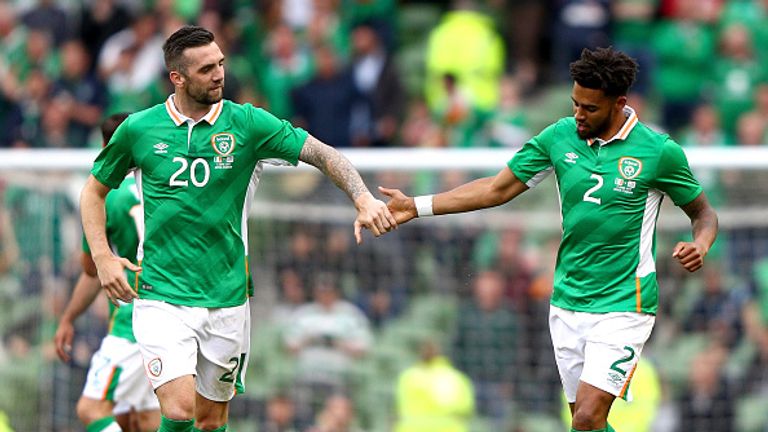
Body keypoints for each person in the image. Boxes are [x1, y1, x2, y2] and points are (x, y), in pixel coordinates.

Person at [381, 47, 719, 432]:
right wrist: (418, 205)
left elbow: (704, 214)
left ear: (618, 103)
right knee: (584, 422)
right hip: (568, 300)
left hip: (626, 302)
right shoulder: (559, 137)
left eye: (589, 108)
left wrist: (701, 244)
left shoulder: (659, 152)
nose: (578, 114)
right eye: (575, 103)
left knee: (589, 417)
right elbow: (495, 188)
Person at [79, 25, 394, 432]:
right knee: (178, 409)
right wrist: (103, 258)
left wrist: (363, 197)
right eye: (207, 68)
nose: (219, 74)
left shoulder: (247, 124)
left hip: (227, 298)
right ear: (177, 77)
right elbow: (93, 192)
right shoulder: (140, 128)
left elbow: (320, 152)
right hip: (162, 295)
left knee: (211, 422)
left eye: (221, 64)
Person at [54, 113, 160, 432]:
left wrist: (68, 318)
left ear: (104, 148)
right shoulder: (167, 186)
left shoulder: (104, 195)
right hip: (174, 317)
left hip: (132, 323)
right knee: (141, 421)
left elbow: (91, 273)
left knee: (91, 409)